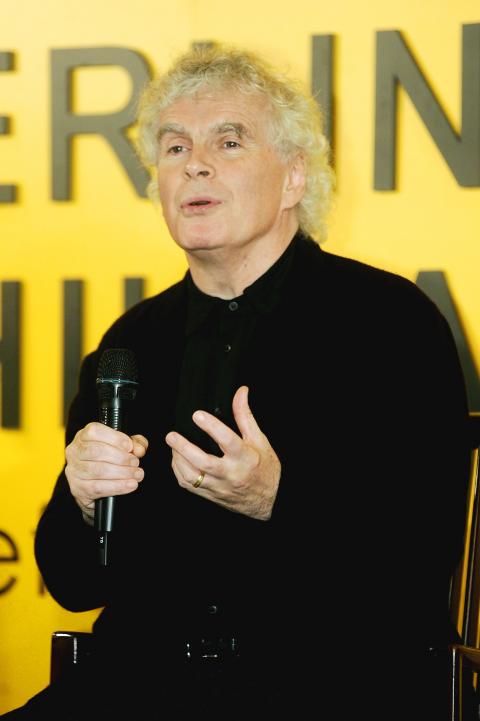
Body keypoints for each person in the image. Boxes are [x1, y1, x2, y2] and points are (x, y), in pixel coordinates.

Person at [2, 42, 475, 720]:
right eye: (174, 147)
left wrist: (279, 499)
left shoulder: (389, 322)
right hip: (142, 683)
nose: (194, 163)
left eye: (229, 142)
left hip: (328, 685)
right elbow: (74, 583)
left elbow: (419, 560)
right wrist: (81, 502)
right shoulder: (132, 343)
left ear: (294, 178)